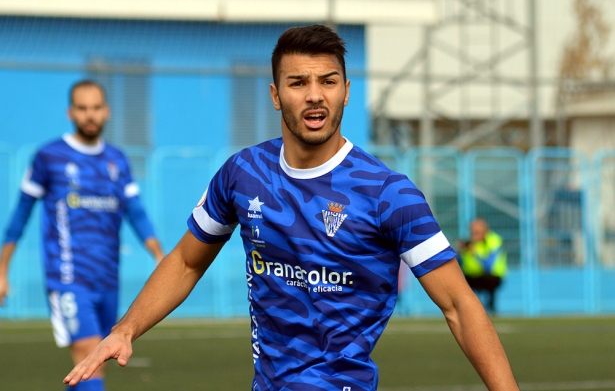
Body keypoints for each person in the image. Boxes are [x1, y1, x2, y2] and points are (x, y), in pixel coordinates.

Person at [64, 25, 518, 391]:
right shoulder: (243, 173)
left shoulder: (389, 194)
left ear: (345, 91)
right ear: (276, 95)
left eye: (328, 81)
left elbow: (460, 304)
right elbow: (185, 261)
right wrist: (125, 329)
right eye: (298, 83)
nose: (315, 94)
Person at [0, 79, 164, 391]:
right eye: (82, 108)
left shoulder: (117, 159)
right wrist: (2, 269)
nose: (90, 115)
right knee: (91, 360)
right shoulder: (50, 156)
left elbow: (136, 212)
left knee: (90, 365)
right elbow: (20, 214)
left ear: (107, 112)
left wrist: (158, 255)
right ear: (70, 112)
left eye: (96, 108)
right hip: (68, 279)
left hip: (108, 279)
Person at [457, 218, 508, 314]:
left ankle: (491, 308)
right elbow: (458, 264)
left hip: (492, 276)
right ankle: (469, 309)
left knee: (489, 280)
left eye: (476, 232)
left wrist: (475, 253)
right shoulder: (469, 243)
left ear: (485, 230)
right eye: (471, 232)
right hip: (472, 276)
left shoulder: (494, 241)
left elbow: (488, 266)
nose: (473, 234)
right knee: (460, 280)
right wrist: (459, 251)